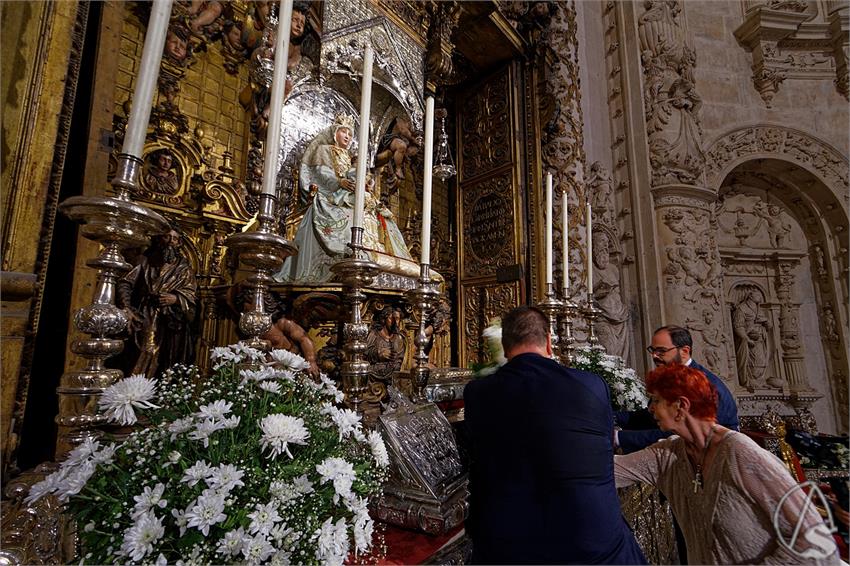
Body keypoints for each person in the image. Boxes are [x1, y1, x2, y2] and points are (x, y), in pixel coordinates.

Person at [463, 306, 646, 564]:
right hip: (595, 544)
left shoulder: (478, 393)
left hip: (510, 546)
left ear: (505, 349)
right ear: (549, 343)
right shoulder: (591, 385)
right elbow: (605, 445)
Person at [614, 364, 840, 564]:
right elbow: (607, 470)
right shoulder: (668, 454)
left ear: (681, 405)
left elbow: (817, 544)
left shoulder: (741, 454)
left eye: (656, 400)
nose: (650, 408)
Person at [275, 114, 418, 283]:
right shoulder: (324, 150)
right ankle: (349, 251)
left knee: (375, 208)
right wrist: (339, 182)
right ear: (335, 133)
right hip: (330, 193)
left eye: (350, 134)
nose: (348, 137)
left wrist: (364, 183)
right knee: (349, 211)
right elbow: (322, 173)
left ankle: (375, 248)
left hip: (347, 192)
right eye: (344, 132)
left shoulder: (348, 156)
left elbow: (353, 174)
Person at [615, 325, 739, 454]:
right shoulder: (672, 377)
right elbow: (649, 416)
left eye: (661, 351)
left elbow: (682, 433)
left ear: (684, 351)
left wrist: (619, 438)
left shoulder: (701, 383)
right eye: (652, 350)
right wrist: (611, 417)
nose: (654, 356)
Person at [117, 229, 197, 378]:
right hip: (147, 313)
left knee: (168, 359)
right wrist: (126, 307)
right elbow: (125, 282)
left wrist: (176, 299)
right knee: (146, 352)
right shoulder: (145, 261)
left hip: (173, 320)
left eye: (175, 238)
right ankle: (135, 391)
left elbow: (191, 295)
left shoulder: (184, 268)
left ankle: (160, 393)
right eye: (167, 236)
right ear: (159, 239)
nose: (171, 241)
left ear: (179, 243)